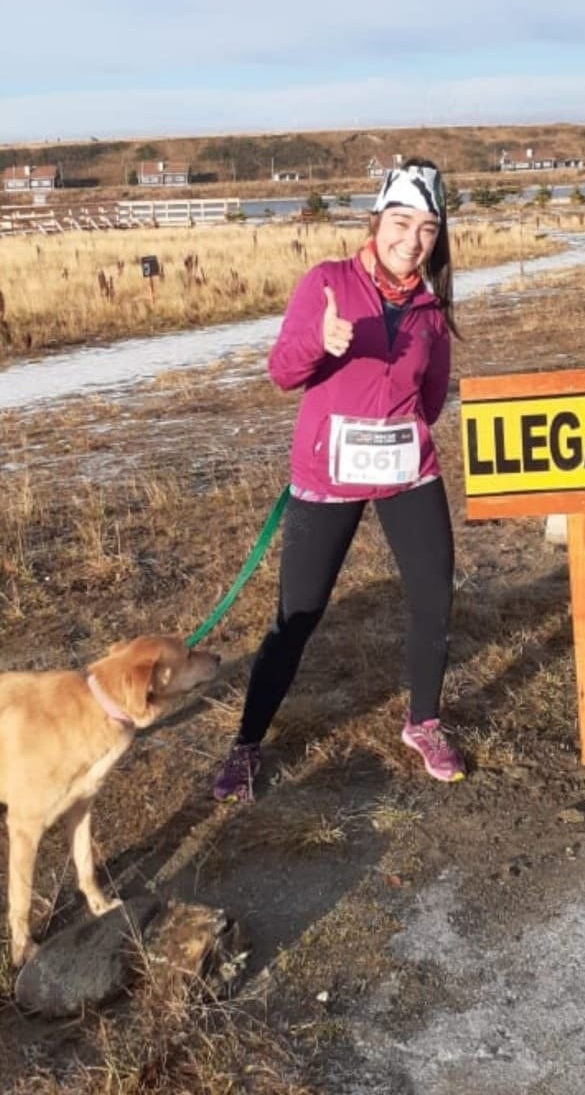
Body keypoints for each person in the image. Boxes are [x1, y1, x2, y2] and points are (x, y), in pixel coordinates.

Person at [213, 158, 465, 802]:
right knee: (297, 616)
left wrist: (394, 432)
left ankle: (424, 722)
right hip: (327, 477)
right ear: (376, 221)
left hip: (408, 473)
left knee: (434, 599)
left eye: (429, 228)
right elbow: (282, 373)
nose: (413, 240)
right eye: (402, 222)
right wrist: (320, 344)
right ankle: (246, 745)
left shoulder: (432, 311)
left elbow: (431, 399)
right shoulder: (326, 282)